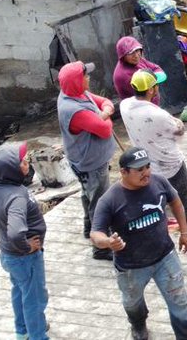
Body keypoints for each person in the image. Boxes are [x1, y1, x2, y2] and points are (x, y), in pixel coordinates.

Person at [90, 147, 187, 340]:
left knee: (179, 301)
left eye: (147, 167)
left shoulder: (159, 181)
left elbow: (176, 202)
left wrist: (185, 232)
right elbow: (95, 234)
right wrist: (108, 242)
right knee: (132, 302)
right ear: (123, 172)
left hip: (165, 257)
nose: (146, 172)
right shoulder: (109, 199)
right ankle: (138, 324)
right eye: (139, 169)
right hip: (131, 266)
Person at [121, 70, 187, 266]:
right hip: (171, 167)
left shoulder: (125, 106)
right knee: (181, 206)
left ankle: (161, 248)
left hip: (146, 169)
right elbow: (179, 132)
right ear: (152, 89)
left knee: (157, 208)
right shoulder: (158, 114)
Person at [0, 142, 48, 340]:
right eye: (21, 161)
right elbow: (15, 232)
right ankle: (38, 336)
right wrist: (27, 247)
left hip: (8, 254)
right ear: (11, 169)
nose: (26, 162)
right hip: (24, 257)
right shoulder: (17, 197)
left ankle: (22, 331)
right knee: (35, 299)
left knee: (20, 292)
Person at [56, 60, 117, 260]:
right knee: (99, 201)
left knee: (88, 193)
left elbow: (105, 102)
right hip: (90, 163)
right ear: (77, 81)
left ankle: (88, 228)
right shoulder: (74, 109)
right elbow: (105, 129)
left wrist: (104, 112)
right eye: (85, 76)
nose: (89, 78)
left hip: (85, 159)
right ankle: (101, 246)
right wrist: (105, 115)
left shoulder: (77, 94)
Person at [113, 36, 165, 103]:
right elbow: (146, 94)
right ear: (123, 56)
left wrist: (152, 79)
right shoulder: (123, 75)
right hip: (141, 108)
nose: (136, 55)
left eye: (137, 50)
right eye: (131, 53)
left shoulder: (136, 60)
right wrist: (153, 79)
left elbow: (156, 68)